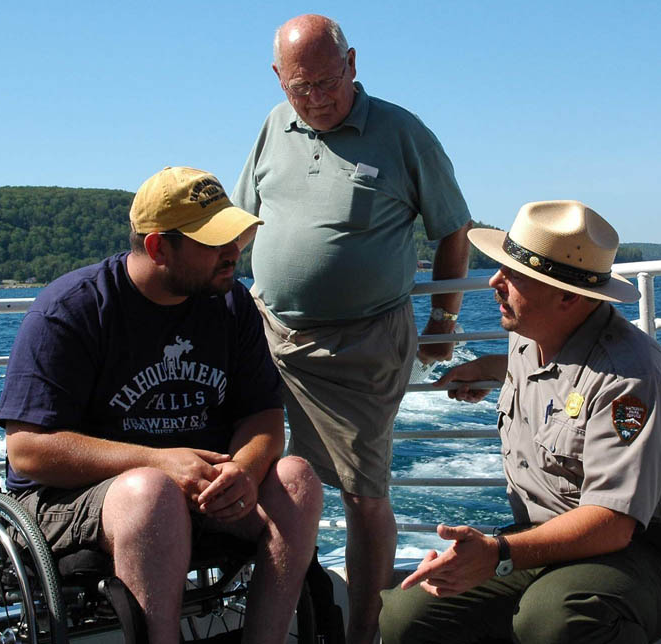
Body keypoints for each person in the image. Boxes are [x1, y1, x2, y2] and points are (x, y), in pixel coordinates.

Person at [0, 166, 324, 644]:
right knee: (151, 493)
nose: (234, 253)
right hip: (72, 502)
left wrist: (245, 471)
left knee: (296, 480)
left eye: (234, 236)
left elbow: (264, 415)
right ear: (158, 248)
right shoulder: (71, 310)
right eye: (213, 242)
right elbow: (27, 451)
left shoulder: (232, 305)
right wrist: (158, 463)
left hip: (199, 487)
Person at [232, 14, 473, 643]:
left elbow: (454, 228)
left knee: (364, 493)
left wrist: (443, 319)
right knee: (268, 479)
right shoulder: (270, 127)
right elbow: (241, 221)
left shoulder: (401, 131)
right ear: (277, 79)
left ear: (354, 64)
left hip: (363, 345)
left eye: (326, 81)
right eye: (299, 87)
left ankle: (364, 631)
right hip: (271, 338)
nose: (314, 98)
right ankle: (294, 613)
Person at [380, 200, 661, 643]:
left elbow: (612, 522)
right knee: (406, 615)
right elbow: (548, 376)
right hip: (542, 539)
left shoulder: (631, 379)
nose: (495, 281)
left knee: (556, 617)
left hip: (643, 554)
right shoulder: (529, 336)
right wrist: (488, 368)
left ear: (567, 295)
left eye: (514, 274)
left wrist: (498, 553)